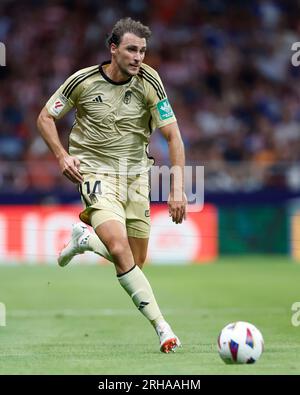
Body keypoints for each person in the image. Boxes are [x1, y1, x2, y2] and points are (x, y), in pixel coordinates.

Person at [37, 17, 187, 353]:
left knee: (134, 261)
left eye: (143, 51)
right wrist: (62, 156)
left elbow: (173, 135)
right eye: (132, 49)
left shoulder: (151, 81)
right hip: (95, 174)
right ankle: (163, 328)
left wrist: (178, 188)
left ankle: (86, 240)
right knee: (120, 250)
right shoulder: (83, 82)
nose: (138, 57)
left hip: (136, 178)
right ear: (113, 49)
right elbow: (45, 117)